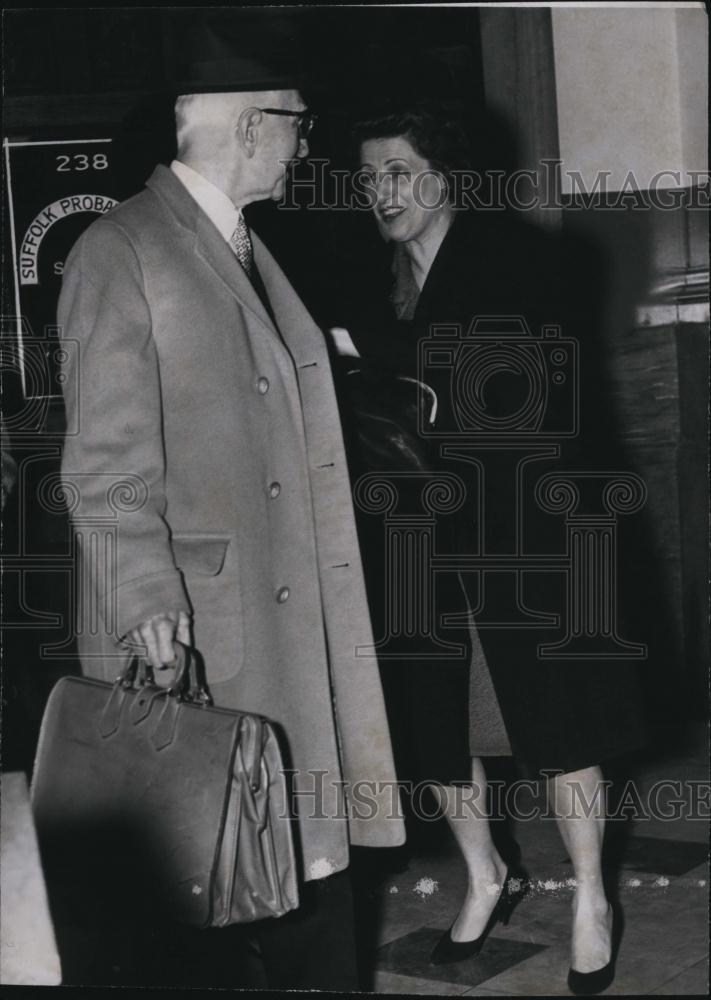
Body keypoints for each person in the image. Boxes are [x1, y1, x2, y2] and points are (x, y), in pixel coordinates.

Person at [56, 55, 404, 989]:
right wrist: (141, 594)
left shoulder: (249, 247)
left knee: (300, 881)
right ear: (254, 125)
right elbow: (102, 458)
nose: (303, 146)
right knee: (202, 905)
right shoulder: (120, 249)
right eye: (299, 124)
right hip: (202, 639)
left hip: (288, 632)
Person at [341, 105, 648, 996]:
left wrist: (373, 351)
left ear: (443, 177)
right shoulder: (372, 276)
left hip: (527, 532)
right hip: (418, 531)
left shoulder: (525, 258)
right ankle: (484, 874)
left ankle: (591, 897)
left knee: (556, 720)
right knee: (434, 719)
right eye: (366, 179)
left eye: (395, 173)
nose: (379, 195)